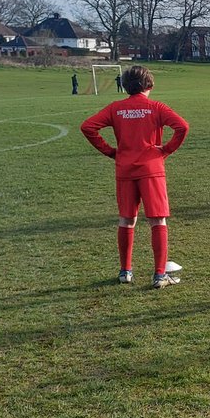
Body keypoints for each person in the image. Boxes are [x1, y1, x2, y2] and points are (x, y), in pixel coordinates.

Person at [81, 65, 189, 288]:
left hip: (125, 169)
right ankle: (160, 275)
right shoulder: (155, 107)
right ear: (150, 85)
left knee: (127, 220)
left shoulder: (116, 108)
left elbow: (88, 127)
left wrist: (111, 151)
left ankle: (125, 271)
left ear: (125, 85)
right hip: (151, 169)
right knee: (157, 220)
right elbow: (182, 127)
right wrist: (166, 150)